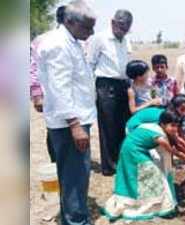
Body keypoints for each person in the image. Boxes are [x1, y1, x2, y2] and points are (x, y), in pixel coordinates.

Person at [36, 1, 96, 224]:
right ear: (70, 22)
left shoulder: (71, 40)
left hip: (76, 118)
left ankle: (72, 218)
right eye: (87, 27)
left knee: (75, 176)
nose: (91, 33)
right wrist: (75, 124)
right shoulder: (58, 45)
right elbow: (59, 87)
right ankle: (76, 221)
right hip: (70, 122)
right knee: (74, 177)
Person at [102, 111, 185, 221]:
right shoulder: (160, 137)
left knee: (145, 175)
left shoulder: (158, 128)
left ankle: (149, 202)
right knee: (153, 174)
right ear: (162, 124)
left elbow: (179, 142)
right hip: (133, 151)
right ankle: (152, 205)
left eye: (177, 126)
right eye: (172, 126)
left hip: (133, 148)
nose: (175, 129)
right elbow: (174, 152)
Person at [86, 9, 133, 176]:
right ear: (113, 22)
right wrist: (91, 92)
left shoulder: (126, 40)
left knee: (124, 124)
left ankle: (122, 161)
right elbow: (89, 64)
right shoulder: (99, 39)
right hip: (106, 86)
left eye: (127, 28)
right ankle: (109, 166)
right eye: (121, 26)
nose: (123, 31)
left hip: (123, 85)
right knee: (108, 126)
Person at [30, 5, 66, 163]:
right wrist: (37, 94)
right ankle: (56, 162)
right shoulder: (43, 40)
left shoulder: (81, 41)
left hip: (74, 95)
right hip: (51, 93)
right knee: (54, 127)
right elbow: (33, 68)